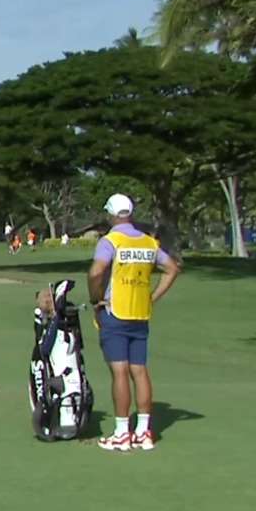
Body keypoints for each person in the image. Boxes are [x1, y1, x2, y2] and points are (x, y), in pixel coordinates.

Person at [87, 194, 180, 452]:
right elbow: (172, 269)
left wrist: (95, 298)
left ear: (111, 214)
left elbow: (96, 272)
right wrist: (152, 298)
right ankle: (143, 432)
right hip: (140, 313)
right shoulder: (148, 242)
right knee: (139, 371)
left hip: (115, 312)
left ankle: (121, 433)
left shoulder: (110, 241)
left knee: (119, 372)